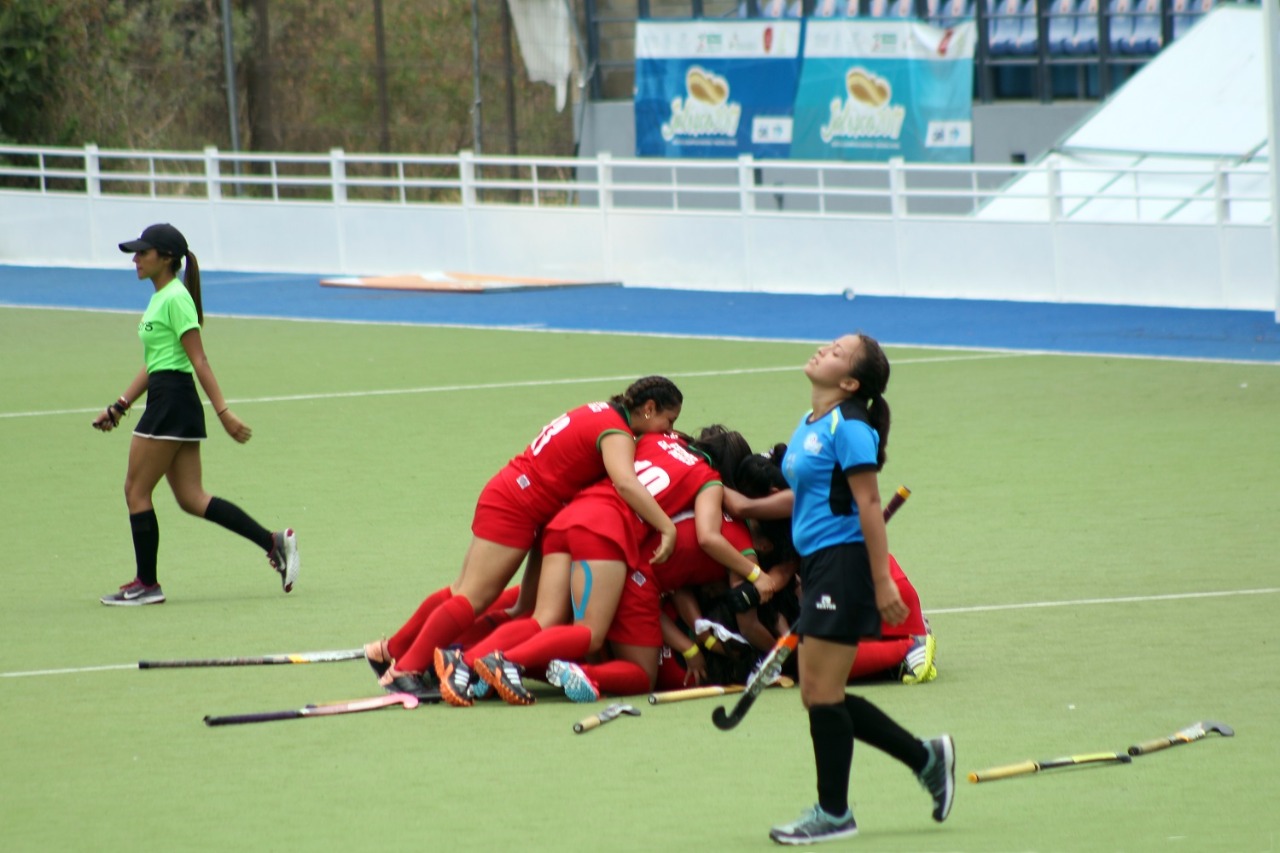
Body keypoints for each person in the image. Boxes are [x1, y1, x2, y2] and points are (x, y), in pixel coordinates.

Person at [365, 377, 683, 699]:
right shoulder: (617, 431)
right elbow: (626, 483)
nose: (669, 432)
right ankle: (405, 670)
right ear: (649, 408)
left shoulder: (601, 411)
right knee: (473, 596)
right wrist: (667, 527)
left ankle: (389, 651)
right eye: (668, 422)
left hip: (527, 505)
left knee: (520, 607)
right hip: (518, 504)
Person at [767, 333, 954, 845]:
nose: (823, 349)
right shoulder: (814, 421)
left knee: (822, 696)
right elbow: (809, 497)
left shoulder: (851, 426)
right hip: (821, 565)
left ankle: (834, 813)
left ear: (849, 382)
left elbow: (869, 505)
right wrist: (742, 507)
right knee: (817, 694)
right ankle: (925, 758)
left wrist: (880, 579)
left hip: (845, 566)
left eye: (837, 351)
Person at [452, 429, 758, 706]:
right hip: (602, 534)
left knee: (543, 618)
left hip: (564, 518)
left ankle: (465, 661)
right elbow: (708, 535)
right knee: (598, 640)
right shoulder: (708, 480)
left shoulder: (654, 439)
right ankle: (505, 661)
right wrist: (757, 574)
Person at [94, 223, 299, 605]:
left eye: (143, 252)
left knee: (135, 491)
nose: (136, 259)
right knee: (191, 497)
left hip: (171, 401)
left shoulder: (175, 299)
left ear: (167, 258)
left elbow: (198, 358)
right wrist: (120, 405)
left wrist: (223, 411)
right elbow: (154, 362)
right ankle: (272, 543)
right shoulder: (160, 298)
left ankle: (147, 584)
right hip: (170, 398)